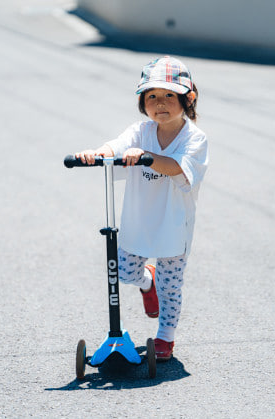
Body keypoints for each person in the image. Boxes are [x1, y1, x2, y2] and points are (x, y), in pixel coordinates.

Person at [75, 56, 208, 361]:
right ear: (143, 102)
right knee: (123, 270)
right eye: (152, 96)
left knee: (171, 286)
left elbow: (176, 167)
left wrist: (146, 156)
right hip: (140, 218)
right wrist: (96, 153)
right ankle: (147, 283)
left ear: (188, 98)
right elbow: (117, 146)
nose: (160, 103)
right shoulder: (140, 131)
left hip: (174, 223)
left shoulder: (194, 139)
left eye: (168, 96)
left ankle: (165, 336)